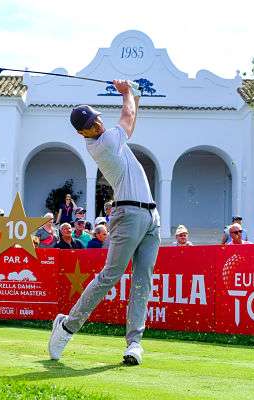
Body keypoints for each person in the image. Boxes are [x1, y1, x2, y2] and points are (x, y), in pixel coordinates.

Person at [48, 80, 160, 366]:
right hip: (128, 215)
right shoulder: (103, 144)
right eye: (89, 125)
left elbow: (133, 113)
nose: (95, 125)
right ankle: (68, 327)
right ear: (81, 132)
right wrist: (125, 93)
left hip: (151, 217)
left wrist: (133, 94)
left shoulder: (112, 138)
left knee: (143, 281)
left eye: (96, 119)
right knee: (110, 276)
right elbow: (129, 117)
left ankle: (134, 343)